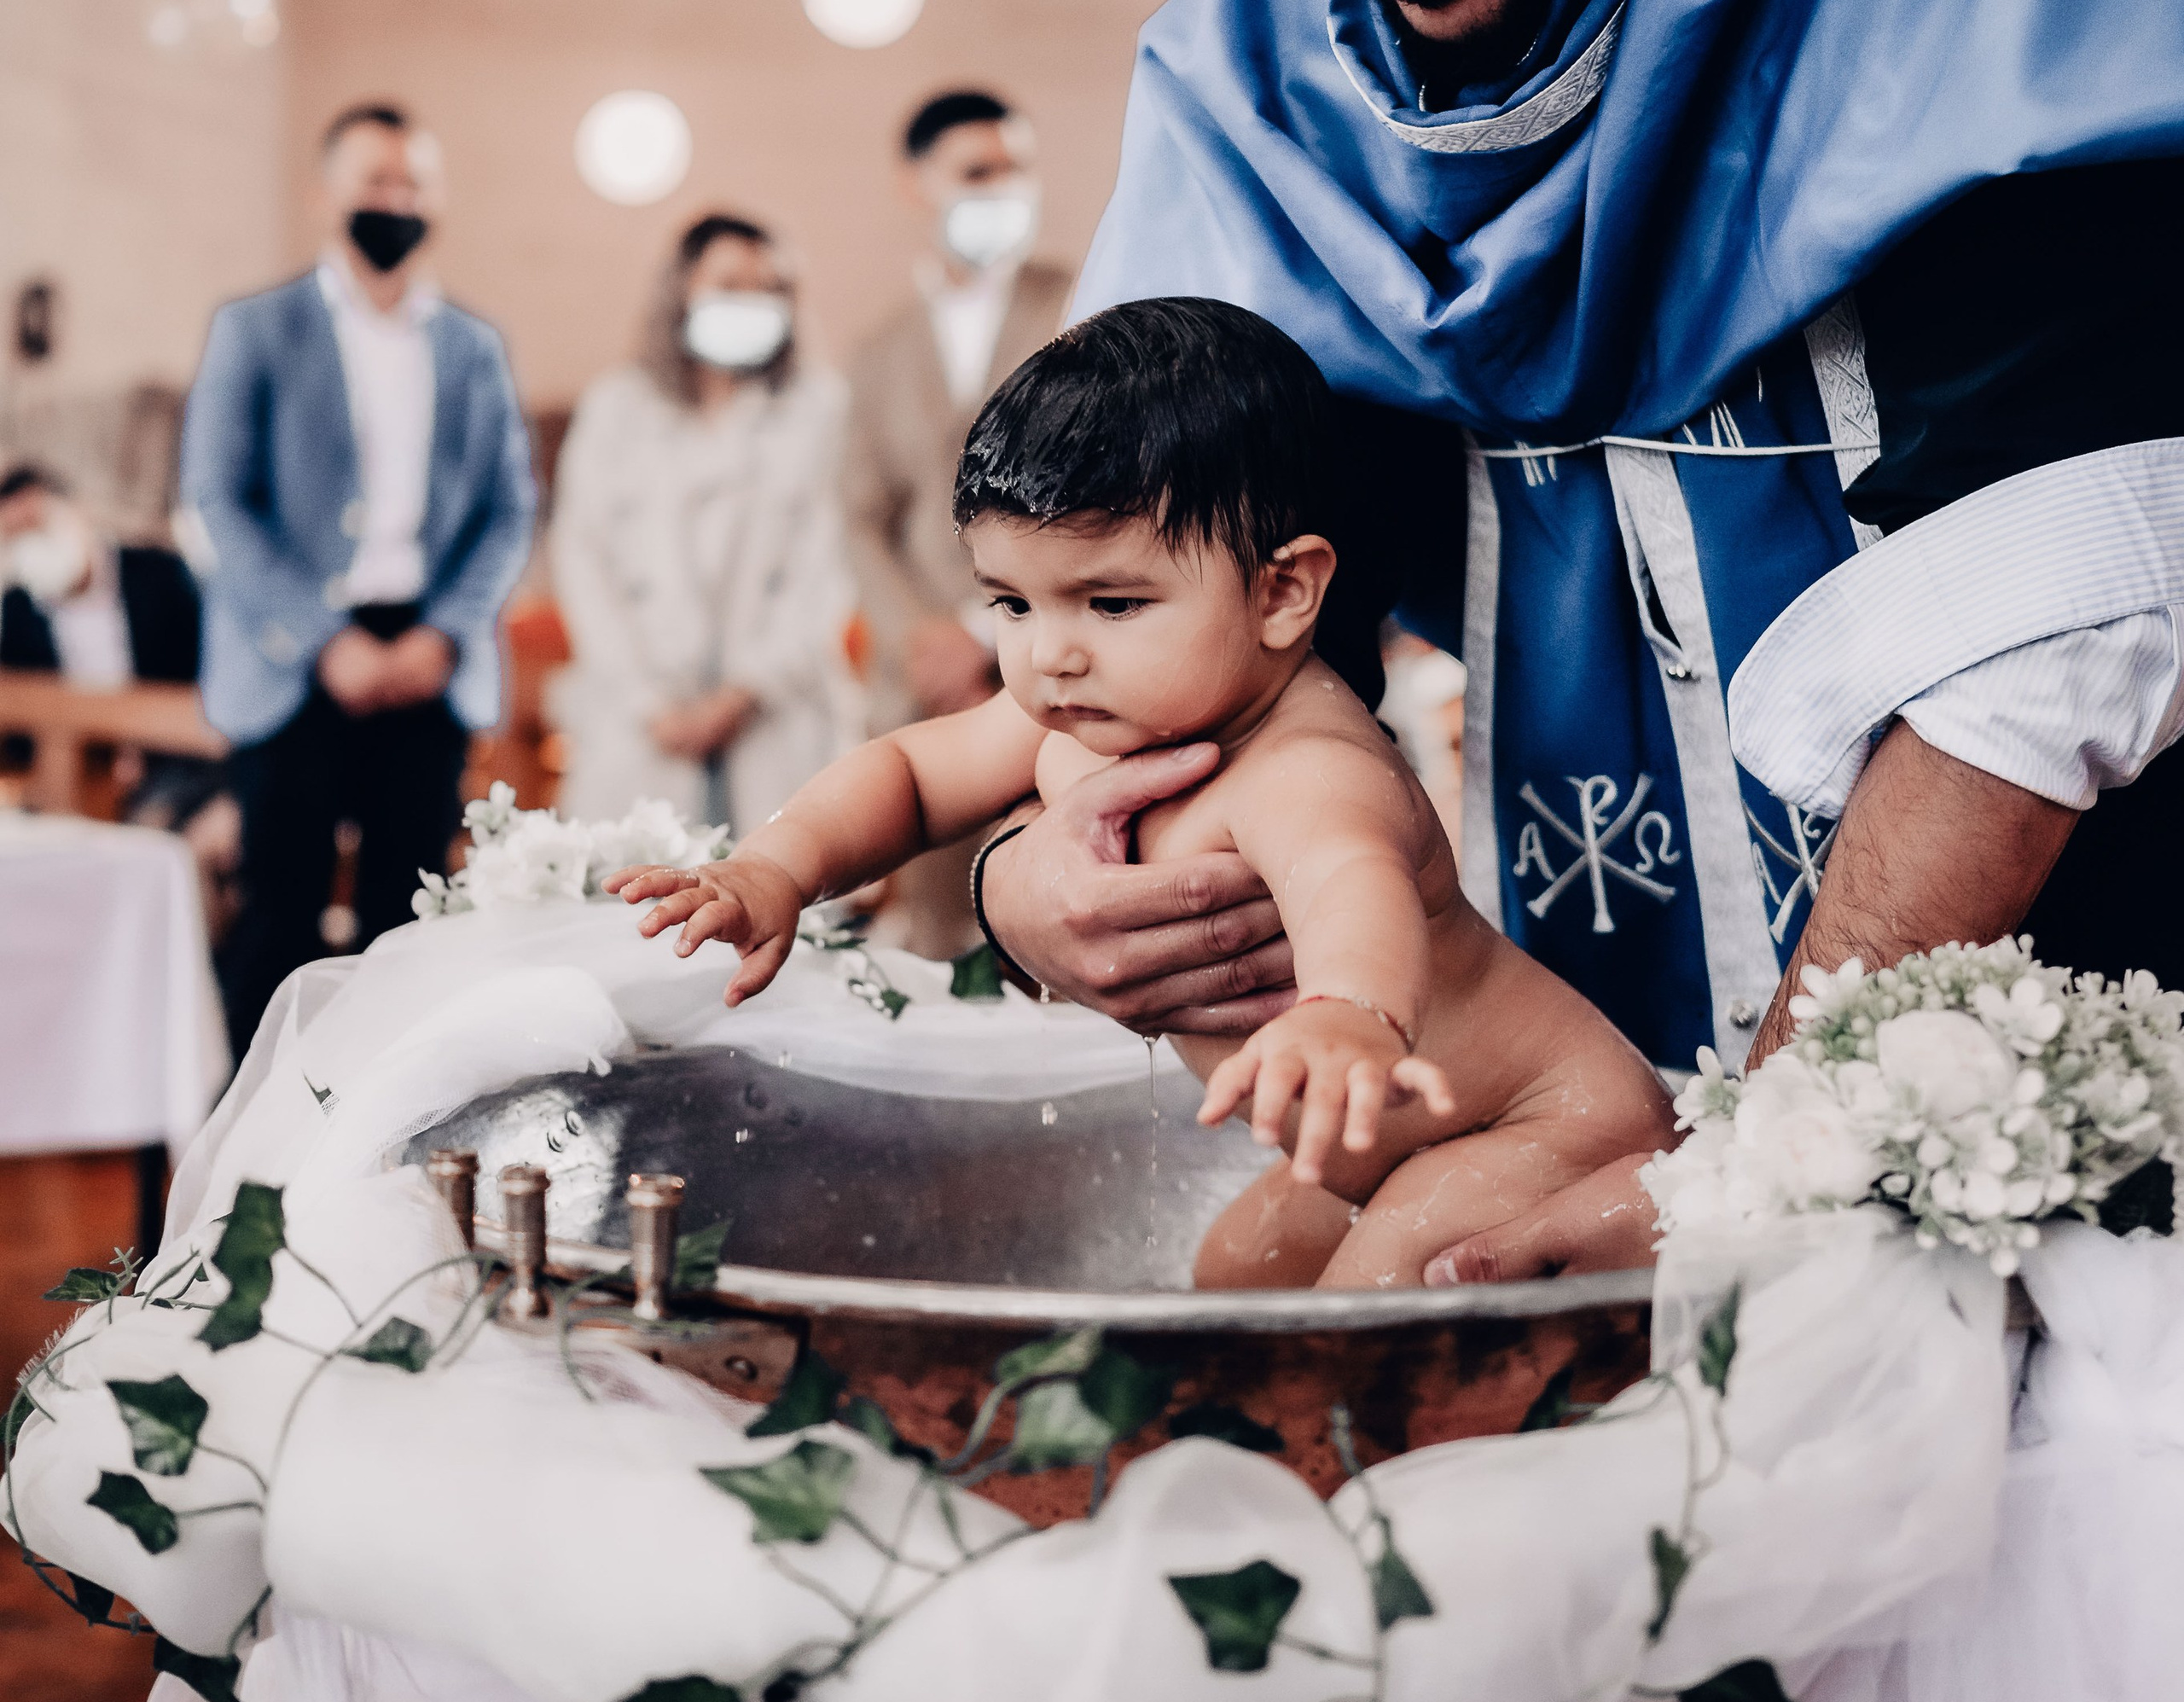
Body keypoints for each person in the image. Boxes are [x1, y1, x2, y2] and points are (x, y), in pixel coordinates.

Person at [970, 0, 2184, 1287]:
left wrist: (1758, 1175)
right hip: (1570, 1057)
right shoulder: (1261, 67)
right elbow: (1188, 593)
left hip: (2021, 1089)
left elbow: (2068, 587)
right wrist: (1032, 874)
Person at [608, 300, 1673, 1287]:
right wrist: (775, 867)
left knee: (1364, 1314)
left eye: (1112, 602)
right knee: (1232, 1274)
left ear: (1282, 590)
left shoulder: (1307, 762)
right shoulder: (1083, 708)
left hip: (1539, 1123)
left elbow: (1351, 881)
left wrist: (1350, 1014)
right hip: (1385, 1139)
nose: (1051, 653)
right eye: (1011, 603)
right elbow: (910, 772)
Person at [180, 102, 534, 1056]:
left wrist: (445, 633)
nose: (397, 200)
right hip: (294, 658)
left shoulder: (472, 344)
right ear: (325, 191)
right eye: (377, 180)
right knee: (280, 918)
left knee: (411, 919)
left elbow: (510, 509)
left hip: (426, 652)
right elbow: (216, 500)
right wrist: (321, 638)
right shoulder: (257, 327)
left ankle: (391, 1123)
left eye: (415, 183)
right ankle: (257, 1132)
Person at [841, 87, 1072, 954]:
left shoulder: (1080, 303)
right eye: (977, 172)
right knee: (937, 934)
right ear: (918, 186)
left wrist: (988, 633)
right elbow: (861, 517)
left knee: (1062, 918)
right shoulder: (879, 350)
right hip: (923, 676)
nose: (1002, 189)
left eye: (1017, 169)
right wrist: (925, 639)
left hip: (1052, 644)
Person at [550, 211, 858, 831]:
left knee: (784, 875)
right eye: (729, 285)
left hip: (777, 720)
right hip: (641, 726)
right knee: (639, 880)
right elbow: (582, 560)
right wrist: (648, 702)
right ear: (682, 290)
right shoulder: (617, 409)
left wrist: (745, 692)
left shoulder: (822, 411)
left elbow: (830, 566)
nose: (751, 303)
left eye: (769, 288)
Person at [0, 463, 200, 691]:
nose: (33, 543)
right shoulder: (18, 610)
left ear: (75, 510)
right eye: (16, 534)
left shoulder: (161, 575)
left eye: (38, 524)